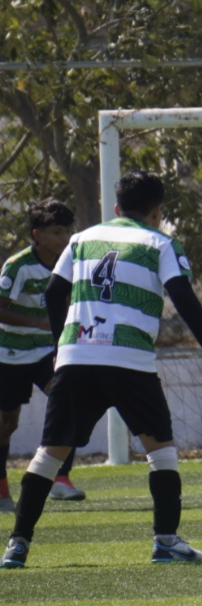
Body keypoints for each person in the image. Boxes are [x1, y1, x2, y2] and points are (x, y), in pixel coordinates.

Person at [3, 171, 202, 568]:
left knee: (49, 454)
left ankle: (17, 545)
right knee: (160, 450)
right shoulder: (160, 242)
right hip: (129, 360)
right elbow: (181, 294)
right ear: (158, 210)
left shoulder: (81, 239)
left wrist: (62, 344)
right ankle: (165, 541)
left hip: (78, 357)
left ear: (116, 207)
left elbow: (55, 292)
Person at [1, 198, 87, 511]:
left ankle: (60, 479)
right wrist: (39, 321)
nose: (65, 239)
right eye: (57, 232)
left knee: (70, 401)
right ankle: (1, 492)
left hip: (47, 352)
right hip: (10, 354)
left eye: (67, 231)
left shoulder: (71, 263)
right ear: (38, 235)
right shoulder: (18, 266)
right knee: (6, 423)